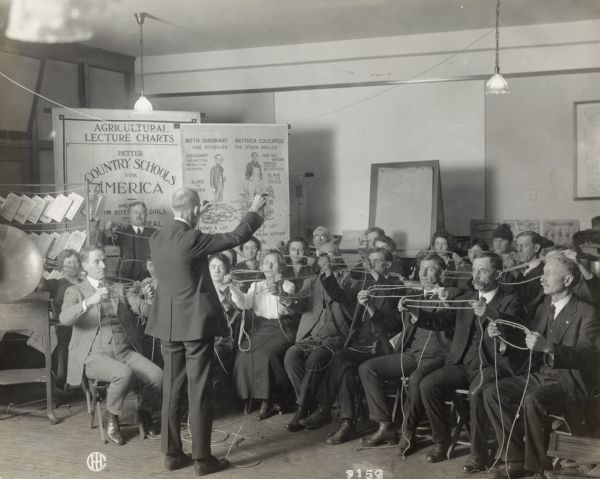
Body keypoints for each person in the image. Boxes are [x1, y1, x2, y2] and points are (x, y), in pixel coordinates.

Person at [146, 188, 265, 475]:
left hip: (167, 325)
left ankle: (172, 454)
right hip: (194, 327)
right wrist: (254, 209)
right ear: (195, 210)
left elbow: (184, 242)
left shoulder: (157, 237)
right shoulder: (192, 239)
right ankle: (202, 459)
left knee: (172, 390)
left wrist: (198, 216)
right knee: (198, 391)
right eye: (199, 211)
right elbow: (236, 237)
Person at [404, 252, 523, 471]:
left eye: (483, 270)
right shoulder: (466, 298)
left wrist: (490, 313)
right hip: (461, 363)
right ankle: (441, 441)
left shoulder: (510, 300)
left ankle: (479, 454)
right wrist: (416, 313)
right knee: (427, 384)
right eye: (474, 270)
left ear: (497, 274)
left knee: (476, 392)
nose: (476, 275)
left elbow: (514, 329)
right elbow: (440, 322)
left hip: (491, 365)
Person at [484, 255, 600, 479]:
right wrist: (502, 333)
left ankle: (538, 468)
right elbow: (525, 337)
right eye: (543, 273)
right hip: (543, 376)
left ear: (567, 281)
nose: (542, 279)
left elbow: (589, 355)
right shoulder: (545, 307)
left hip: (571, 381)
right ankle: (515, 459)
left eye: (549, 274)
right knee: (493, 391)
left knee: (534, 398)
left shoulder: (587, 312)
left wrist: (550, 348)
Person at [60, 246, 162, 446]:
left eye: (104, 260)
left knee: (158, 376)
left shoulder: (118, 288)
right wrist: (89, 301)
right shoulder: (75, 291)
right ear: (85, 265)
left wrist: (149, 298)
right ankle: (111, 417)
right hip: (94, 355)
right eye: (97, 261)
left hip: (124, 351)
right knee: (123, 374)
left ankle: (144, 412)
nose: (103, 265)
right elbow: (64, 318)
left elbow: (141, 308)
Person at [301, 248, 402, 445]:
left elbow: (394, 325)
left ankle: (324, 408)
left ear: (388, 265)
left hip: (383, 349)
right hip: (362, 347)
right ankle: (347, 424)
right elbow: (339, 295)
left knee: (340, 357)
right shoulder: (366, 284)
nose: (371, 265)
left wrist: (371, 304)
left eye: (377, 261)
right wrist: (328, 271)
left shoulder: (396, 285)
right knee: (346, 370)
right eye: (369, 261)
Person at [358, 253, 452, 453]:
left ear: (442, 273)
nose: (424, 274)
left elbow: (455, 329)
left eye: (431, 269)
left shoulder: (455, 295)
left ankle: (408, 432)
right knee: (368, 368)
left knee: (417, 377)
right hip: (412, 354)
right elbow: (392, 324)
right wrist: (369, 306)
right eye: (421, 269)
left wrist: (446, 302)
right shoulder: (413, 297)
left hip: (440, 357)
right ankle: (385, 426)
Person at [283, 241, 352, 432]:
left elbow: (342, 297)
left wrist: (329, 274)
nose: (324, 260)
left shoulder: (348, 279)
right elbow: (299, 304)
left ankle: (303, 409)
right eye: (322, 256)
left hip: (337, 336)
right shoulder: (311, 281)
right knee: (291, 356)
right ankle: (315, 405)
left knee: (316, 359)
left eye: (329, 255)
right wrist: (283, 295)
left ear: (337, 257)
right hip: (312, 336)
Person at [230, 250, 298, 420]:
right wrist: (233, 287)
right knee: (244, 352)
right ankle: (250, 397)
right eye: (266, 262)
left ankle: (268, 400)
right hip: (262, 329)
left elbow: (287, 306)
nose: (269, 266)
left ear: (281, 267)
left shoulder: (288, 285)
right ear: (261, 266)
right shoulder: (256, 286)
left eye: (274, 263)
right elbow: (245, 304)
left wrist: (278, 291)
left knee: (265, 355)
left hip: (283, 328)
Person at [39, 248, 82, 390]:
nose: (74, 265)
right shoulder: (55, 284)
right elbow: (40, 287)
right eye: (69, 262)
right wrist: (39, 268)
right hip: (65, 327)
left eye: (76, 261)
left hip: (86, 324)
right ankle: (61, 384)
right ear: (62, 265)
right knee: (65, 346)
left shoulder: (84, 282)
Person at [103, 201, 155, 281]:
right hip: (126, 278)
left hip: (149, 277)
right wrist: (106, 231)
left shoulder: (154, 233)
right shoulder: (122, 232)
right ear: (129, 216)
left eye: (142, 212)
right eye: (135, 212)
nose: (139, 215)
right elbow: (107, 241)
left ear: (146, 215)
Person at [513, 231, 545, 317]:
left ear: (536, 248)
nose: (519, 250)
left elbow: (528, 300)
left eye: (523, 245)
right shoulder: (519, 267)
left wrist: (516, 274)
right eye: (518, 245)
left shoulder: (544, 272)